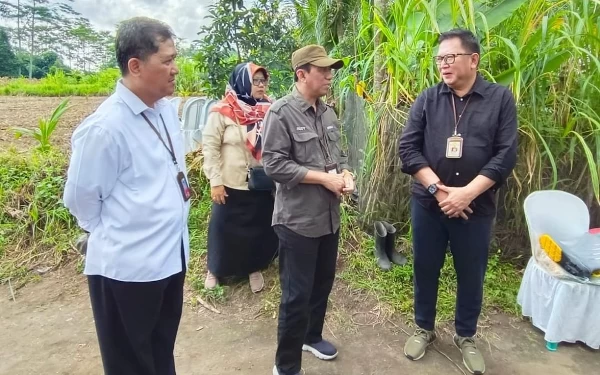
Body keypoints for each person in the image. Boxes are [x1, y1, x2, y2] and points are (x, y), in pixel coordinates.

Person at [63, 17, 190, 375]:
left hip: (169, 258)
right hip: (128, 270)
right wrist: (121, 233)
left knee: (160, 351)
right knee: (130, 364)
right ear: (135, 66)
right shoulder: (106, 128)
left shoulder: (165, 110)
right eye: (166, 61)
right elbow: (81, 201)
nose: (174, 69)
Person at [398, 28, 518, 375]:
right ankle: (424, 327)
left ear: (473, 60)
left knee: (471, 274)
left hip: (475, 208)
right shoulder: (428, 99)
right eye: (440, 59)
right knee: (425, 267)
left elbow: (505, 155)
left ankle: (466, 335)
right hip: (428, 205)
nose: (443, 65)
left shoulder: (499, 99)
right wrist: (439, 191)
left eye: (450, 57)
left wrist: (466, 193)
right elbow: (408, 149)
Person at [262, 44, 354, 375]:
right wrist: (321, 179)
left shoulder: (328, 113)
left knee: (321, 285)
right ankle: (285, 366)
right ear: (302, 74)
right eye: (323, 70)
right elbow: (272, 164)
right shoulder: (280, 113)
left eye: (331, 70)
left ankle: (311, 337)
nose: (330, 76)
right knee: (296, 296)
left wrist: (344, 175)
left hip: (328, 218)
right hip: (297, 221)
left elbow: (337, 156)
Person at [202, 62, 279, 293]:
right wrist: (214, 181)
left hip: (261, 182)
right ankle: (215, 269)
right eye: (255, 80)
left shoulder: (271, 109)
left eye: (264, 80)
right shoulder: (222, 110)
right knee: (222, 227)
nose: (261, 85)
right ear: (243, 81)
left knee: (257, 227)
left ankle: (253, 267)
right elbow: (210, 147)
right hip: (229, 182)